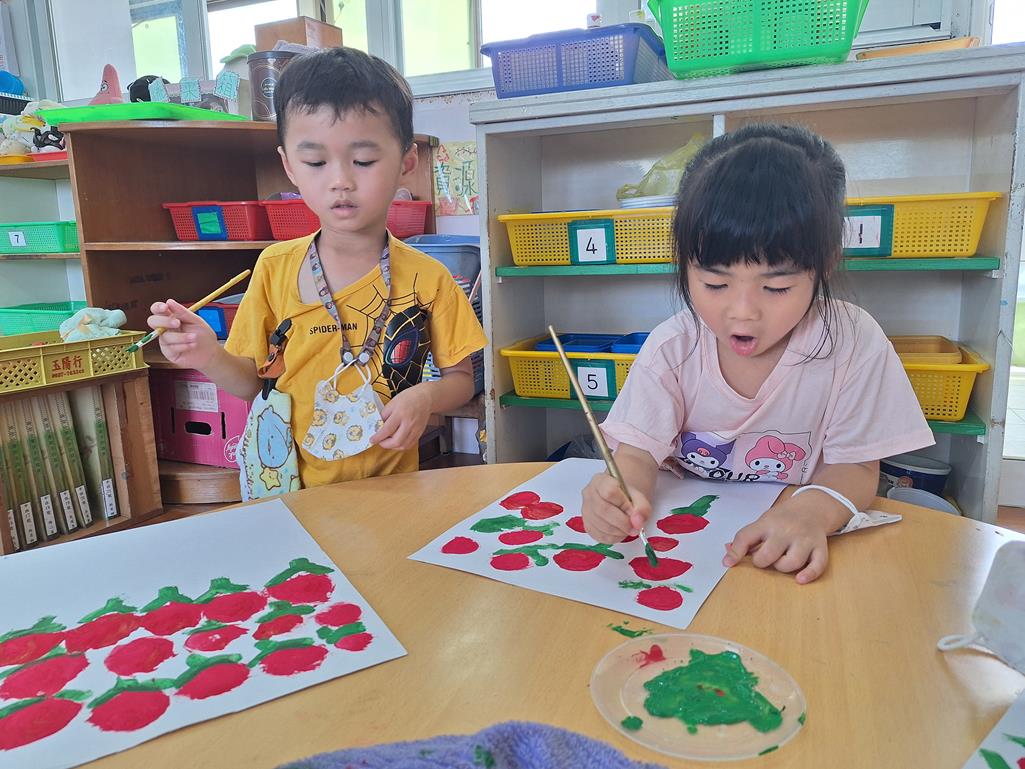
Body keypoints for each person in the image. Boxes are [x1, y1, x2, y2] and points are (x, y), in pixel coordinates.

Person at [582, 123, 933, 584]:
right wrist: (620, 491)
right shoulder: (673, 348)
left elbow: (857, 467)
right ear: (684, 262)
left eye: (777, 286)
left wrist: (811, 512)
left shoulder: (852, 342)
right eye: (715, 283)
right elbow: (637, 455)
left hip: (786, 550)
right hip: (691, 548)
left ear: (825, 263)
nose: (742, 313)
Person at [146, 47, 487, 488]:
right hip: (292, 493)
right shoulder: (275, 268)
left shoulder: (430, 278)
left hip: (391, 491)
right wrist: (207, 354)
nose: (340, 180)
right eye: (315, 162)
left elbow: (461, 380)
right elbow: (251, 383)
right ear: (289, 166)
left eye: (363, 161)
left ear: (406, 162)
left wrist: (425, 396)